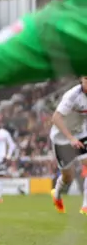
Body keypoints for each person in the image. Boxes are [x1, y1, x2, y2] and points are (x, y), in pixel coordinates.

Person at [49, 77, 87, 214]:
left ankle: (85, 206)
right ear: (81, 80)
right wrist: (70, 138)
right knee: (67, 177)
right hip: (62, 138)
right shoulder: (73, 95)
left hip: (81, 134)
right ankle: (57, 194)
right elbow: (56, 118)